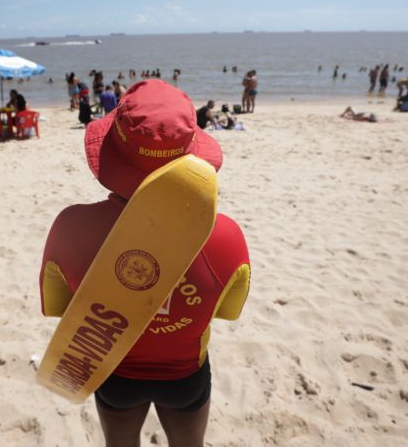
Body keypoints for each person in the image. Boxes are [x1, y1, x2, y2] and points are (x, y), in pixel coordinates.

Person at [39, 80, 250, 447]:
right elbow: (227, 312)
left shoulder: (70, 228)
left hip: (113, 372)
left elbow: (57, 308)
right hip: (185, 376)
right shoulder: (226, 235)